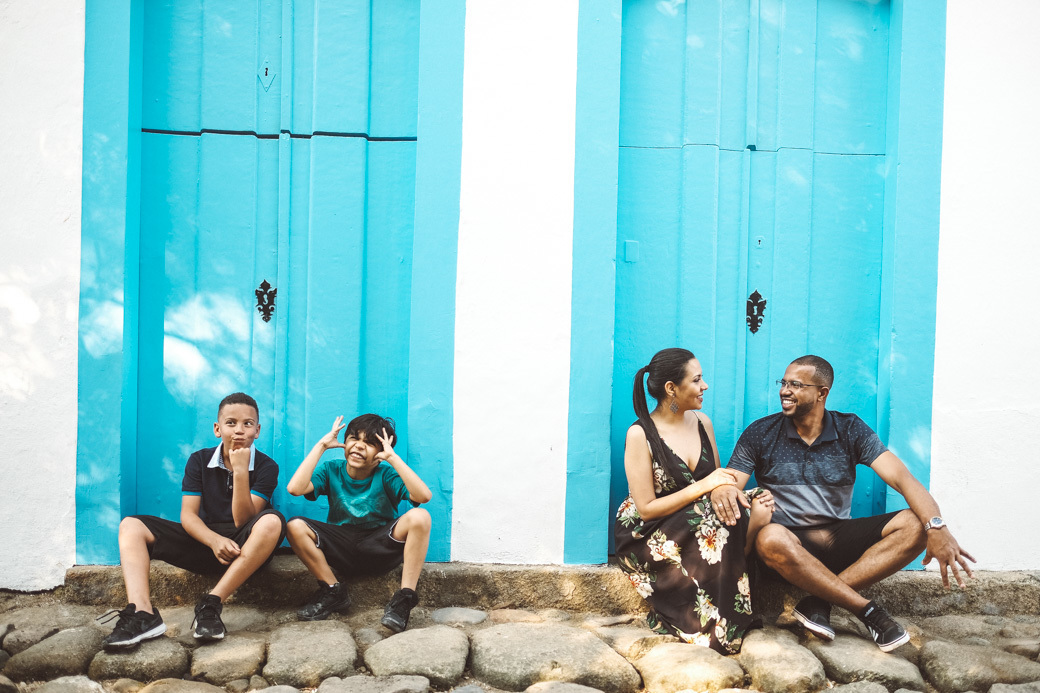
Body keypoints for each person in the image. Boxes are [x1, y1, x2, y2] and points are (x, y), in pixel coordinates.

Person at [713, 355, 976, 652]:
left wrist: (937, 527)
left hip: (837, 540)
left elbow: (903, 479)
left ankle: (819, 601)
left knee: (916, 525)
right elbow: (730, 483)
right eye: (783, 383)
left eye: (795, 384)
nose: (784, 390)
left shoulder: (850, 429)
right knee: (769, 537)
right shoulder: (761, 432)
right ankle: (868, 612)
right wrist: (721, 487)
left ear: (822, 393)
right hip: (786, 546)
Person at [614, 348, 775, 654]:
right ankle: (712, 626)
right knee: (714, 521)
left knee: (755, 500)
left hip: (695, 512)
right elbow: (646, 508)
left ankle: (744, 541)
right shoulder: (640, 434)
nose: (705, 386)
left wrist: (726, 490)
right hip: (649, 529)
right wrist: (707, 486)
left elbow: (715, 482)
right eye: (697, 380)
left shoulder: (702, 422)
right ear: (671, 388)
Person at [100, 392, 286, 649]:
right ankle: (143, 613)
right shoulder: (199, 460)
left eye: (248, 423)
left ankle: (211, 603)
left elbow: (244, 519)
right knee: (130, 525)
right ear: (217, 429)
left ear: (258, 430)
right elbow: (188, 515)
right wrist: (213, 540)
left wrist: (242, 470)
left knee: (272, 521)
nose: (239, 430)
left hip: (247, 549)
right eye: (231, 423)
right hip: (207, 542)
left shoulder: (267, 466)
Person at [285, 413, 432, 633]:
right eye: (355, 438)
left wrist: (392, 458)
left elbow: (423, 496)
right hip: (341, 546)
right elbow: (295, 488)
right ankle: (333, 590)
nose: (359, 447)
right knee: (294, 525)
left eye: (370, 443)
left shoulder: (385, 474)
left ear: (380, 452)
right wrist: (322, 445)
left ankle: (404, 598)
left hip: (379, 545)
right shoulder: (331, 469)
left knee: (421, 516)